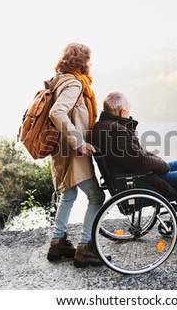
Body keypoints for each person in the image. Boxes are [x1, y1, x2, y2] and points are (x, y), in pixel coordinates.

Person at [92, 91, 177, 238]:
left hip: (131, 175)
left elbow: (136, 156)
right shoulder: (117, 131)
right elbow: (140, 162)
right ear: (122, 112)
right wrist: (163, 165)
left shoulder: (102, 126)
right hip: (138, 181)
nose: (129, 113)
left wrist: (159, 162)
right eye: (128, 110)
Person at [46, 43, 106, 268]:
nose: (91, 63)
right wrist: (79, 142)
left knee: (68, 194)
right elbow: (57, 112)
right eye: (89, 59)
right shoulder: (73, 83)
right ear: (81, 61)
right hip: (72, 150)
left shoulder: (58, 79)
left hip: (61, 149)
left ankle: (57, 243)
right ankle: (85, 248)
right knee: (96, 197)